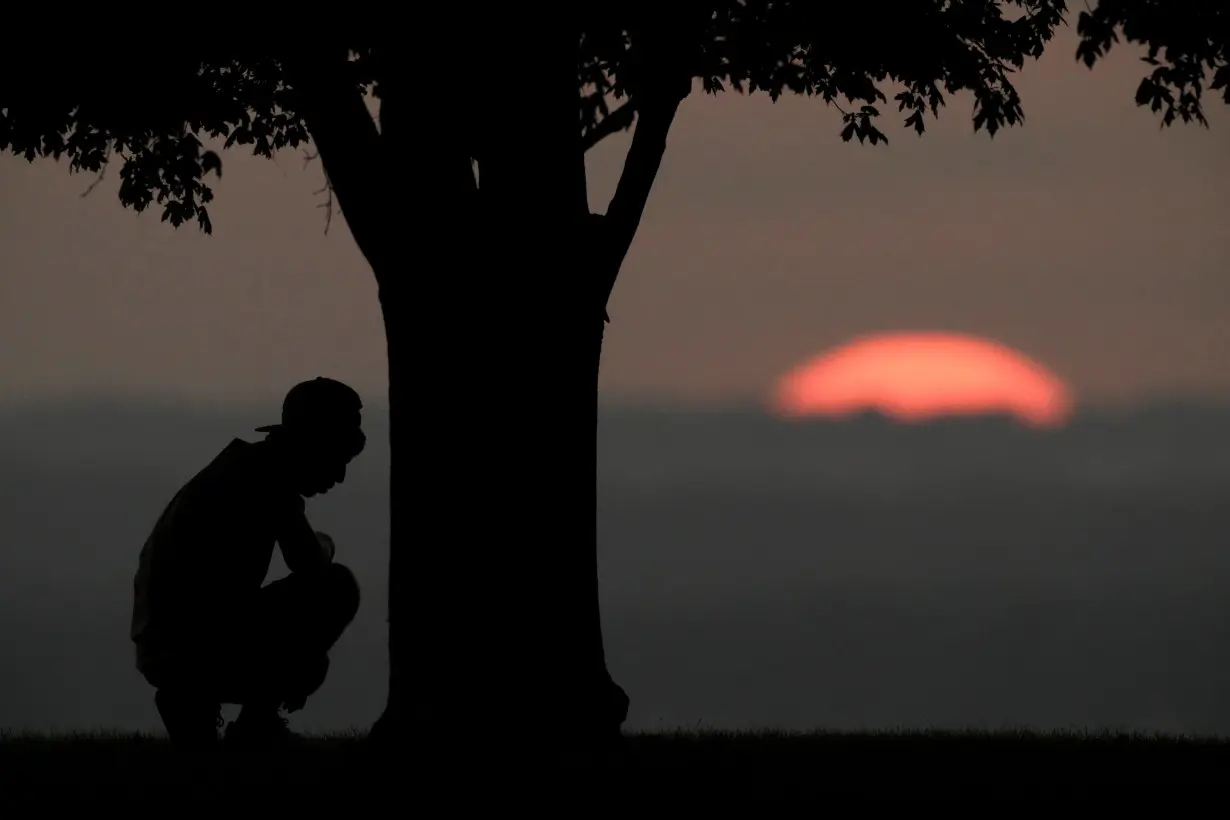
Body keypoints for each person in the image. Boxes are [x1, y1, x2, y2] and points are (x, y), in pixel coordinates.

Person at [130, 377, 366, 752]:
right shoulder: (268, 479)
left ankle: (194, 703)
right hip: (191, 646)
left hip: (165, 645)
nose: (338, 476)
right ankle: (252, 723)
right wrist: (326, 544)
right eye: (336, 457)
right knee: (337, 588)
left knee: (304, 658)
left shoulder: (242, 468)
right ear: (312, 443)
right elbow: (310, 565)